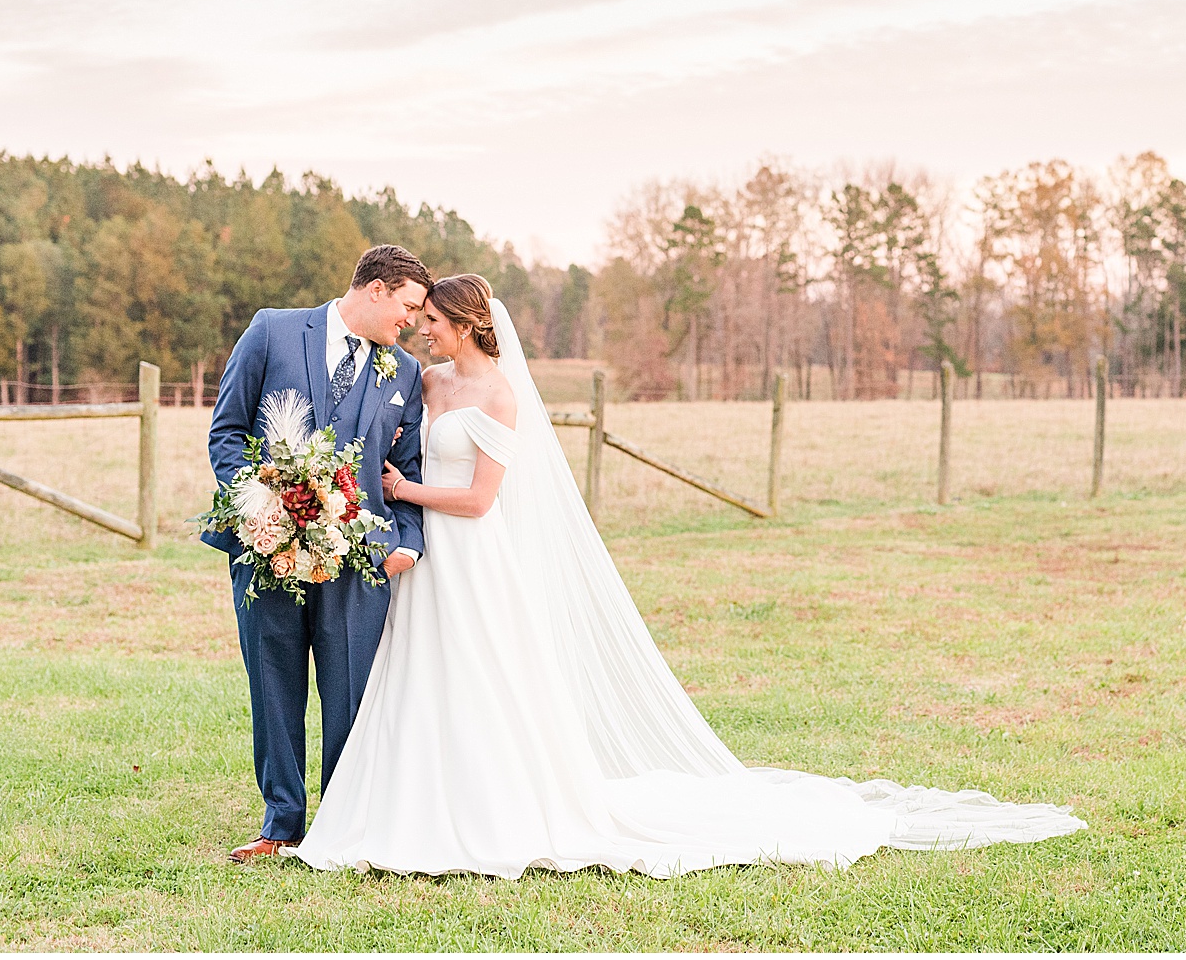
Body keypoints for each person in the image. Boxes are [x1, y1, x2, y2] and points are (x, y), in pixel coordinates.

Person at [289, 274, 1084, 878]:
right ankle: (414, 804)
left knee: (485, 679)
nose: (421, 329)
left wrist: (404, 492)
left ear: (464, 324)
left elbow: (479, 498)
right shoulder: (426, 383)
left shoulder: (498, 395)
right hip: (428, 565)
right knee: (422, 680)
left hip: (474, 558)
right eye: (418, 318)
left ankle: (496, 811)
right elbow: (395, 438)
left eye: (431, 320)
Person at [204, 245, 432, 862]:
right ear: (377, 290)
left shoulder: (405, 374)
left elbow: (404, 471)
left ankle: (341, 822)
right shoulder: (272, 330)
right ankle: (281, 825)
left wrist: (405, 543)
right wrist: (260, 508)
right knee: (273, 683)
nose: (411, 322)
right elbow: (226, 432)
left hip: (359, 562)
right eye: (408, 306)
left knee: (350, 690)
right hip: (268, 551)